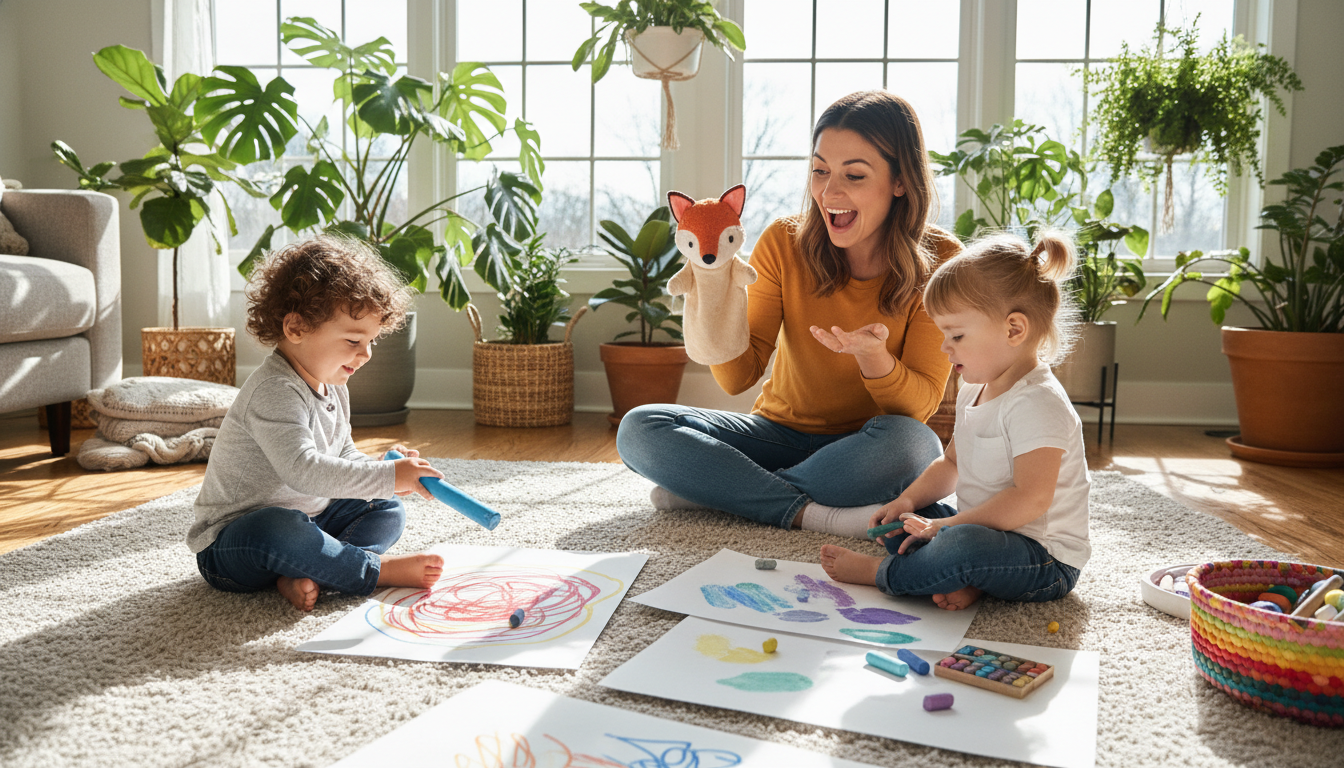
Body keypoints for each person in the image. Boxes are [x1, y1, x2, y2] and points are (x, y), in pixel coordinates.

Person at [617, 90, 962, 537]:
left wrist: (873, 357)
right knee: (640, 428)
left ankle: (718, 492)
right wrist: (715, 299)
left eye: (854, 175)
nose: (829, 191)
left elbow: (919, 405)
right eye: (819, 171)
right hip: (775, 437)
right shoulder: (784, 241)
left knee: (914, 446)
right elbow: (738, 378)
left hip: (865, 447)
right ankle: (813, 512)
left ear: (900, 181)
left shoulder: (942, 260)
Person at [820, 230, 1090, 611]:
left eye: (957, 335)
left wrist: (947, 529)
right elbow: (951, 463)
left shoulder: (1038, 403)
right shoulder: (973, 386)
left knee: (961, 546)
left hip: (1042, 557)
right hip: (983, 530)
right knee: (908, 521)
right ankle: (966, 579)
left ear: (1014, 329)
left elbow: (1030, 499)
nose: (945, 347)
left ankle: (884, 574)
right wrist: (908, 500)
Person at [187, 235, 448, 611]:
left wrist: (384, 471)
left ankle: (313, 569)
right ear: (295, 328)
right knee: (279, 529)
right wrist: (391, 477)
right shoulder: (274, 390)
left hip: (311, 519)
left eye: (371, 341)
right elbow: (303, 471)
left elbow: (341, 453)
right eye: (353, 340)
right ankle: (370, 571)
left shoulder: (331, 382)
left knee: (385, 508)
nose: (367, 353)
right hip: (236, 544)